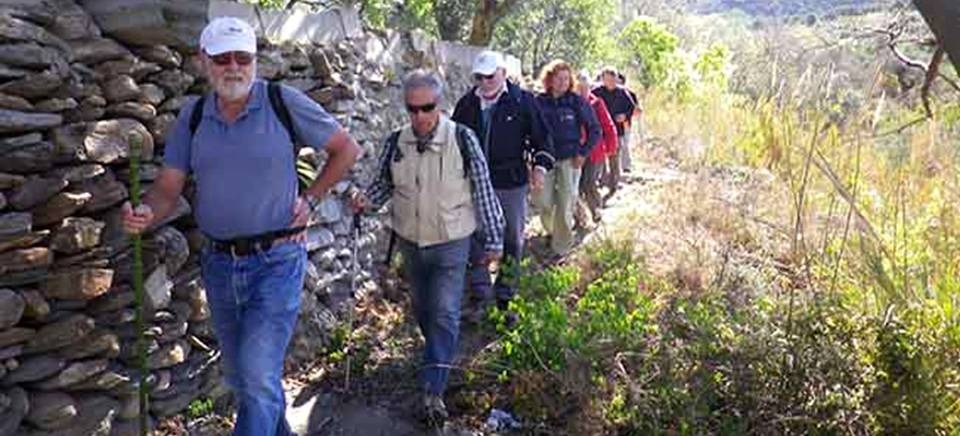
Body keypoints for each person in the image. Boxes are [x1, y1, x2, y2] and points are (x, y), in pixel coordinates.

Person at [121, 17, 361, 436]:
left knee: (255, 375)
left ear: (255, 60)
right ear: (203, 61)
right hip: (219, 264)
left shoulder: (281, 101)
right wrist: (146, 213)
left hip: (278, 261)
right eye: (223, 58)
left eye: (243, 58)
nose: (234, 67)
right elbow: (167, 188)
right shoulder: (193, 117)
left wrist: (311, 198)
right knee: (248, 378)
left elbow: (345, 149)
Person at [350, 70, 504, 421]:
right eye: (412, 109)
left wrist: (494, 238)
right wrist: (365, 201)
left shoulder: (462, 139)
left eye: (427, 108)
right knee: (423, 311)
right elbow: (382, 186)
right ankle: (438, 355)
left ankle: (433, 390)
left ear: (440, 105)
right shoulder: (396, 142)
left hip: (452, 241)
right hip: (411, 242)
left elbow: (483, 191)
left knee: (446, 312)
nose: (419, 116)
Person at [452, 50, 554, 310]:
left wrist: (540, 167)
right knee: (474, 237)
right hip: (473, 183)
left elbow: (543, 138)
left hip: (510, 181)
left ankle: (506, 294)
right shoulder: (466, 104)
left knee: (512, 238)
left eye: (490, 76)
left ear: (503, 74)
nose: (485, 82)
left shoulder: (523, 102)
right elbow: (453, 142)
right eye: (479, 77)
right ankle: (480, 293)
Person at [534, 60, 601, 257]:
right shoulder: (539, 102)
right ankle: (553, 231)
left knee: (565, 202)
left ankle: (560, 248)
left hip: (570, 160)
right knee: (542, 200)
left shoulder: (576, 101)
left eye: (566, 78)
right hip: (543, 160)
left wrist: (583, 153)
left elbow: (594, 129)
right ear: (550, 80)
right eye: (558, 78)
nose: (563, 82)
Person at [574, 71, 618, 227]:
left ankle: (596, 211)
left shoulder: (596, 104)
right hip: (576, 153)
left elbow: (608, 125)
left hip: (595, 152)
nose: (583, 91)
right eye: (579, 88)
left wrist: (611, 147)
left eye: (585, 88)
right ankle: (579, 218)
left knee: (589, 183)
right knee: (576, 187)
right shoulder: (570, 104)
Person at [592, 67, 636, 192]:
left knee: (614, 158)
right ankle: (601, 181)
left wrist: (625, 116)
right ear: (603, 79)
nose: (609, 82)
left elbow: (632, 108)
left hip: (617, 130)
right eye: (606, 79)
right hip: (600, 130)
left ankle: (614, 184)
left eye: (612, 79)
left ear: (616, 79)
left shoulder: (622, 93)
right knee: (600, 158)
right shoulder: (596, 92)